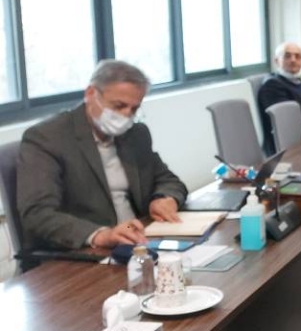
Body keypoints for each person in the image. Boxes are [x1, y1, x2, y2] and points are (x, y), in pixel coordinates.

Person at [17, 60, 187, 252]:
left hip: (137, 238)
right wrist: (101, 235)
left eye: (134, 109)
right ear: (91, 94)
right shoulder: (48, 138)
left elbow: (168, 180)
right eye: (118, 106)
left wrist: (166, 198)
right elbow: (37, 213)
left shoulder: (135, 134)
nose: (126, 115)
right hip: (84, 250)